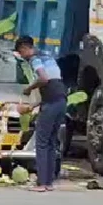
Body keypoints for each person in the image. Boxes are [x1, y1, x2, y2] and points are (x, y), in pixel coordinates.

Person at [15, 36, 66, 192]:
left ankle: (42, 183)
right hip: (60, 101)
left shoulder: (35, 59)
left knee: (42, 143)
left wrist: (29, 89)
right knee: (50, 142)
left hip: (51, 104)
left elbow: (43, 79)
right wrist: (33, 106)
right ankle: (48, 182)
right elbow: (53, 88)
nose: (22, 56)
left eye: (20, 52)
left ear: (24, 48)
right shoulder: (48, 56)